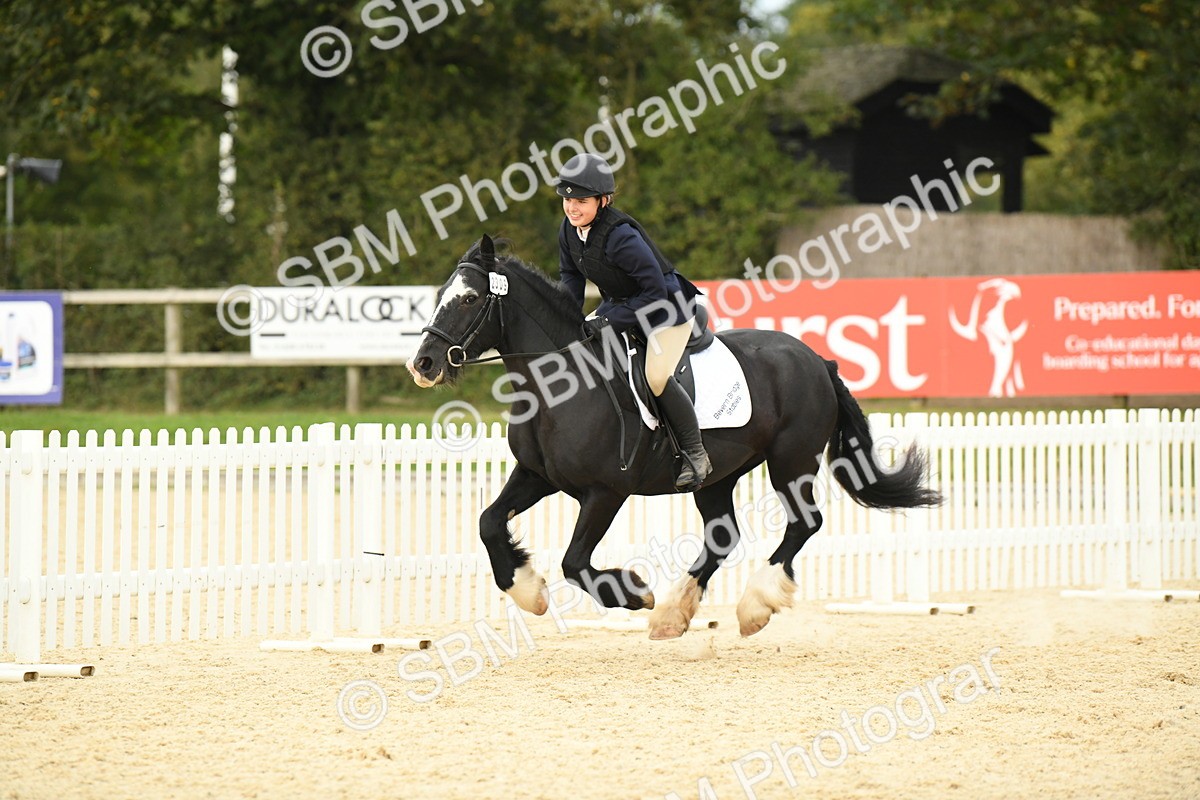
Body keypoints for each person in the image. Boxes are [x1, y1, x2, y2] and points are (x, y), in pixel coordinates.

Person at [555, 152, 712, 491]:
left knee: (655, 376)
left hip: (667, 309)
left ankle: (695, 453)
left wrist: (608, 319)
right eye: (567, 199)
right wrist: (568, 317)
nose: (572, 207)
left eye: (581, 200)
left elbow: (654, 291)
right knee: (588, 353)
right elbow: (571, 277)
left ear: (603, 200)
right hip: (626, 305)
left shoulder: (620, 236)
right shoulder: (569, 232)